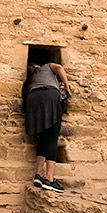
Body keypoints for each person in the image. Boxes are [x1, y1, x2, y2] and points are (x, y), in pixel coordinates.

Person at [23, 62, 72, 193]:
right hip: (48, 97)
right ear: (37, 66)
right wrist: (67, 86)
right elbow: (60, 67)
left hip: (33, 100)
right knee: (52, 138)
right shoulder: (47, 66)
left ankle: (38, 175)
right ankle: (49, 179)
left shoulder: (31, 80)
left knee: (43, 138)